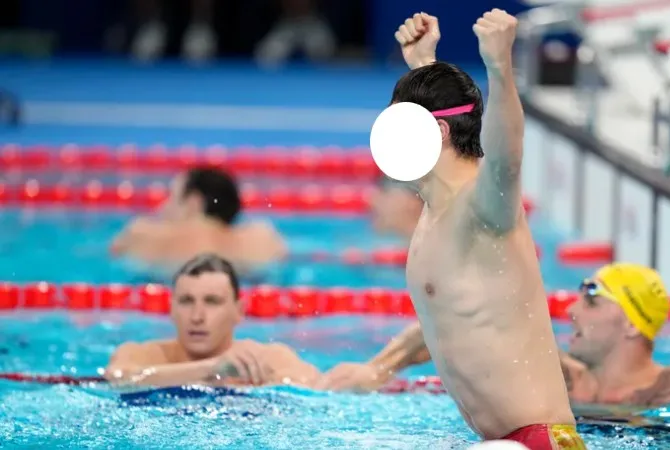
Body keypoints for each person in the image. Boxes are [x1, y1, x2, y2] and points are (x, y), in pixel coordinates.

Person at [320, 10, 584, 448]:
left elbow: (507, 157)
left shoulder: (483, 206)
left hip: (539, 441)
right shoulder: (434, 213)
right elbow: (453, 321)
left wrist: (500, 67)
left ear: (438, 132)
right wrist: (424, 65)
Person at [320, 263, 670, 406]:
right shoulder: (556, 374)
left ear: (633, 324)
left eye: (591, 299)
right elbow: (453, 322)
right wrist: (377, 370)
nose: (571, 310)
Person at [105, 253, 320, 387]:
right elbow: (119, 380)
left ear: (239, 311)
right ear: (171, 309)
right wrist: (213, 368)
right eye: (186, 301)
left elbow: (313, 386)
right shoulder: (144, 355)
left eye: (212, 302)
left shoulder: (266, 359)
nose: (197, 316)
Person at [110, 165, 287, 271]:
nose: (162, 207)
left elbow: (115, 253)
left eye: (171, 196)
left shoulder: (143, 234)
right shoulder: (264, 237)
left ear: (193, 202)